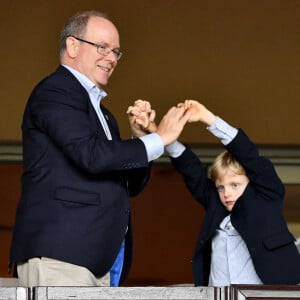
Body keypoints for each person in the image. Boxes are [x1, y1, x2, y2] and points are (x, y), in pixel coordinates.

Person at [9, 10, 190, 287]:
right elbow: (91, 156)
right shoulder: (55, 91)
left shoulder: (105, 116)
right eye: (102, 47)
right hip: (61, 255)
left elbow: (129, 185)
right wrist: (159, 139)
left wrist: (138, 137)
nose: (111, 58)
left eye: (116, 51)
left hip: (96, 260)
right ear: (72, 46)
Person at [131, 100, 300, 286]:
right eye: (221, 187)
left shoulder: (266, 196)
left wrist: (208, 118)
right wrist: (161, 136)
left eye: (235, 185)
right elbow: (191, 169)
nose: (226, 193)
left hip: (266, 295)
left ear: (252, 182)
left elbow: (250, 156)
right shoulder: (216, 205)